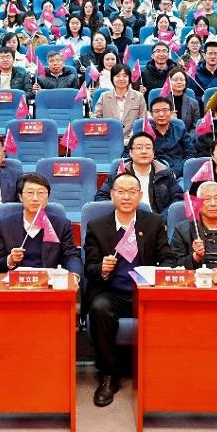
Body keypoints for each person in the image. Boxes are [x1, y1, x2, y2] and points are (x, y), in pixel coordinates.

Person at [84, 172, 173, 407]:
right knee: (99, 308)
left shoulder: (153, 222)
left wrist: (155, 274)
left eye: (131, 192)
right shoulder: (97, 226)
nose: (126, 197)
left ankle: (159, 372)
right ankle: (109, 375)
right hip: (111, 291)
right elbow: (89, 268)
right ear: (112, 195)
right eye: (121, 192)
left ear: (140, 195)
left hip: (145, 291)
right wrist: (102, 268)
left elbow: (168, 258)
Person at [0, 173, 82, 274]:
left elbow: (71, 257)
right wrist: (10, 260)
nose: (35, 198)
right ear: (20, 196)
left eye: (41, 193)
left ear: (47, 197)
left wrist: (74, 276)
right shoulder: (4, 225)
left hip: (50, 280)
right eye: (30, 192)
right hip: (16, 281)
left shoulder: (61, 225)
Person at [95, 132, 183, 212]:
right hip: (126, 219)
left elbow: (179, 198)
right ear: (130, 152)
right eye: (139, 148)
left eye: (148, 148)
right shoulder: (119, 173)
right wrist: (121, 214)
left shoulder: (165, 174)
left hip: (157, 220)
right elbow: (101, 198)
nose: (144, 151)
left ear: (153, 153)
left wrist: (162, 219)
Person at [139, 96, 193, 177]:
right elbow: (130, 152)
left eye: (165, 110)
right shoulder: (145, 132)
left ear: (171, 112)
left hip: (177, 175)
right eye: (157, 111)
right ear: (151, 114)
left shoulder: (180, 130)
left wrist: (175, 172)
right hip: (152, 174)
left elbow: (191, 155)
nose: (161, 114)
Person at [92, 63, 146, 144]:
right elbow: (97, 118)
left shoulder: (139, 96)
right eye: (117, 76)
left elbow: (142, 121)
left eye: (125, 76)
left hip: (133, 141)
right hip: (109, 140)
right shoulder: (104, 96)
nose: (121, 79)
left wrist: (132, 138)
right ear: (112, 78)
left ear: (129, 78)